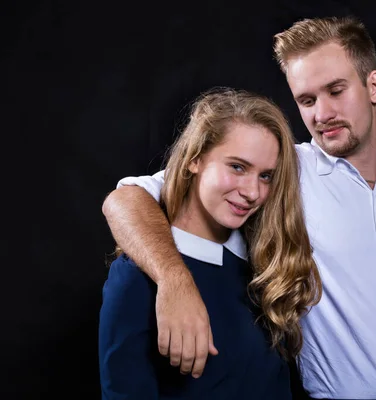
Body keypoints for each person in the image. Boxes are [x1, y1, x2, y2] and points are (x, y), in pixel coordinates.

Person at [102, 16, 376, 400]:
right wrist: (175, 282)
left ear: (373, 86)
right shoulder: (280, 170)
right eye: (307, 100)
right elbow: (124, 199)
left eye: (335, 91)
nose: (321, 113)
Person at [98, 88, 322, 399]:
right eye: (238, 167)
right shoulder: (137, 277)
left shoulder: (264, 269)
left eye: (266, 176)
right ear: (195, 160)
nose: (253, 192)